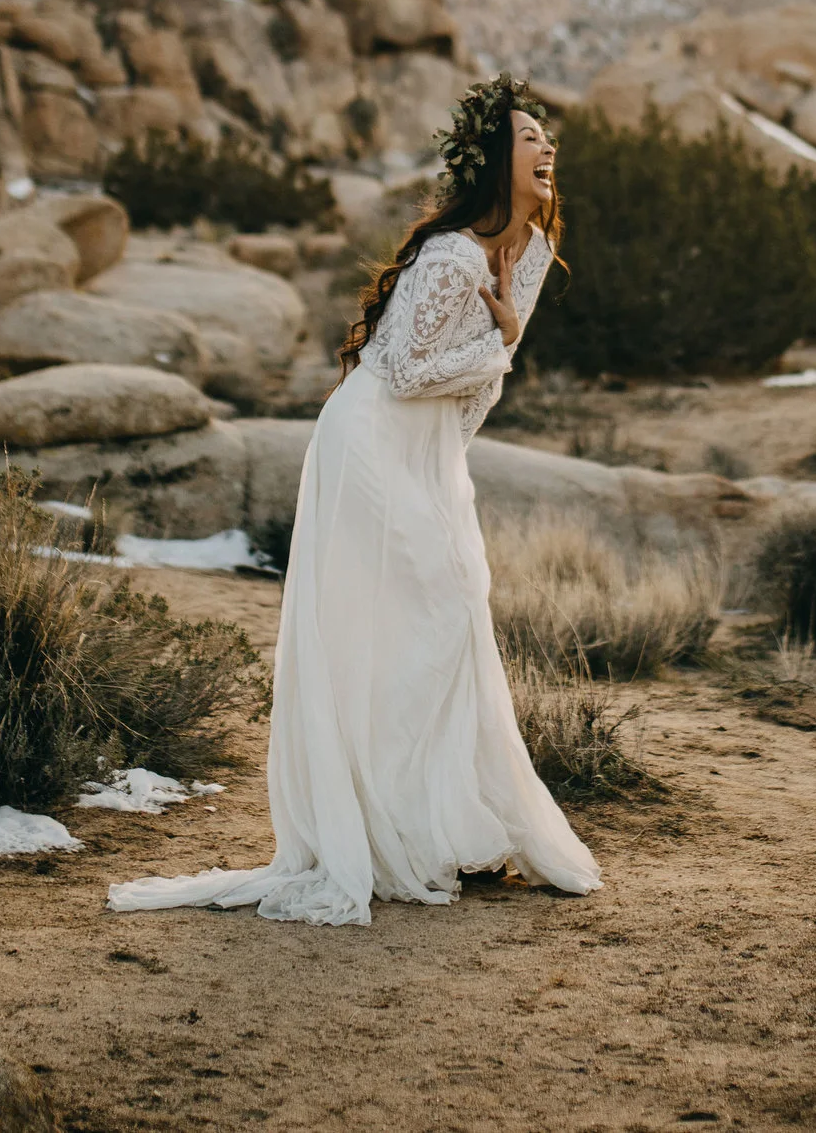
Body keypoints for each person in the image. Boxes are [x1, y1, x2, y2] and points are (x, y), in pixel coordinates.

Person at [107, 73, 599, 926]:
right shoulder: (451, 254)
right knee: (408, 618)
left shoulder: (531, 260)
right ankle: (375, 834)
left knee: (450, 608)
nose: (547, 147)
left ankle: (429, 822)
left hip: (426, 447)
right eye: (528, 137)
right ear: (493, 160)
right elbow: (406, 371)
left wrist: (470, 412)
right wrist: (501, 349)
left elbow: (477, 398)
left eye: (547, 137)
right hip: (369, 433)